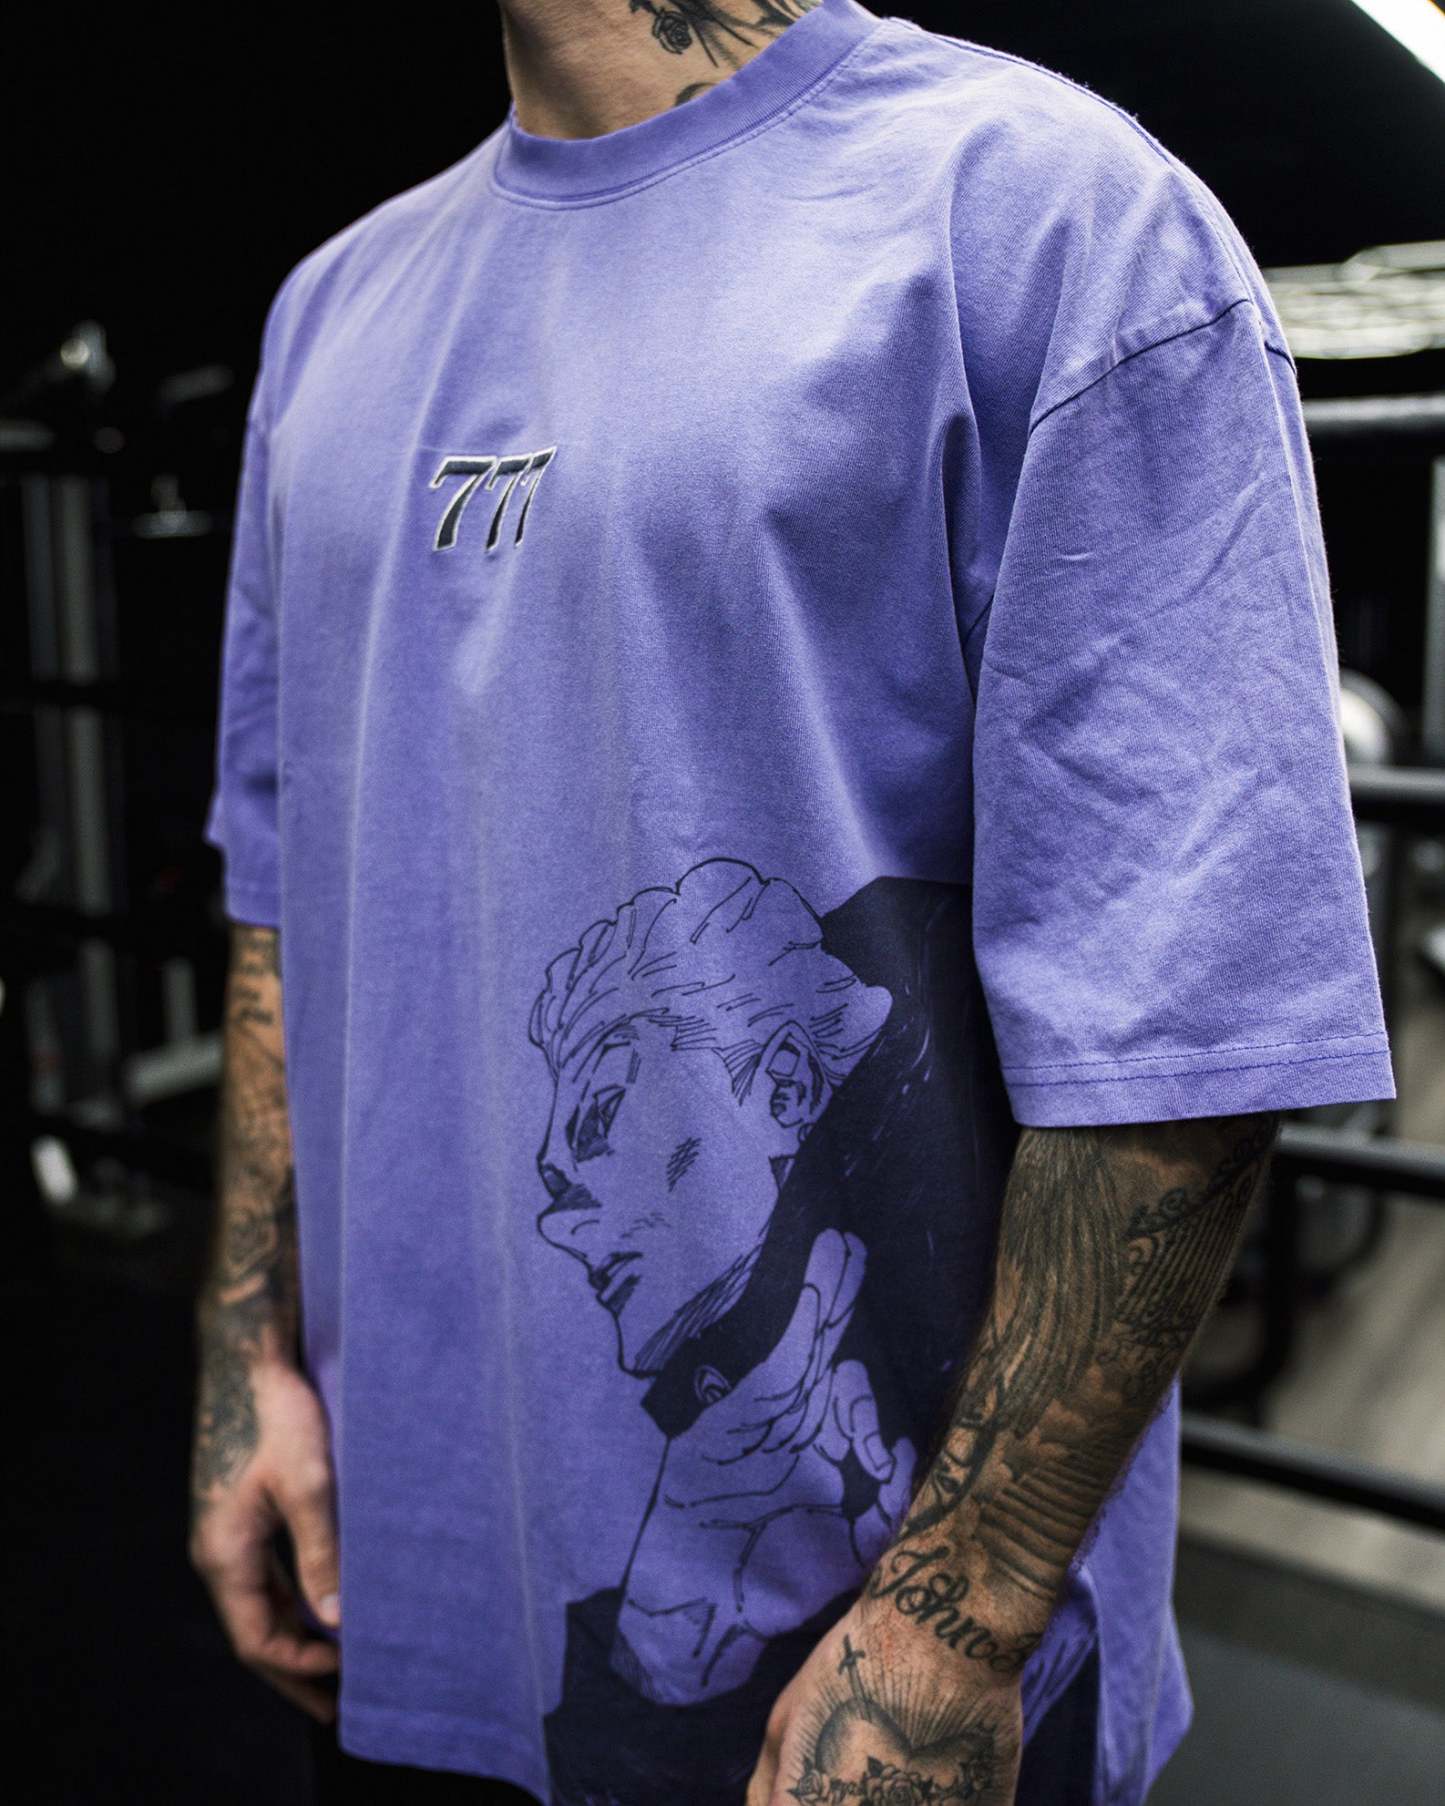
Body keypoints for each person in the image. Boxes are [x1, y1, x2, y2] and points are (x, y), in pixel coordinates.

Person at [189, 2, 1397, 1802]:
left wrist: (959, 1615)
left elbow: (1183, 1015)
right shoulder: (330, 313)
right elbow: (282, 910)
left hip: (856, 1688)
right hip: (403, 1587)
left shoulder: (1050, 225)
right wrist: (247, 1362)